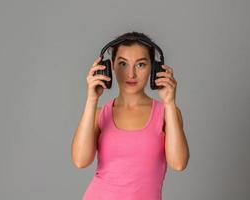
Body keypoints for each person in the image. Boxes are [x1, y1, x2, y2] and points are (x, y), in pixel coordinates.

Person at [71, 31, 189, 200]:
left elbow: (178, 163)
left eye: (140, 65)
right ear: (110, 66)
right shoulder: (98, 114)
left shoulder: (166, 114)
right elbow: (80, 161)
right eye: (123, 64)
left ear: (154, 68)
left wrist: (169, 102)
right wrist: (92, 99)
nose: (131, 74)